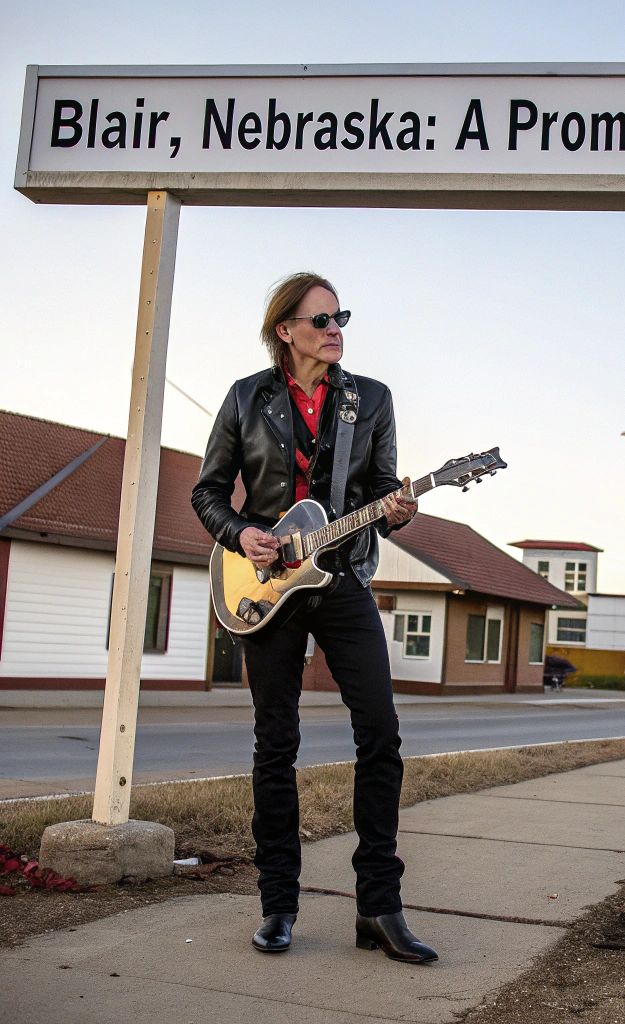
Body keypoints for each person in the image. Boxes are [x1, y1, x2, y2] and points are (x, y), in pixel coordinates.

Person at [192, 272, 437, 963]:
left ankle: (379, 908)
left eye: (341, 318)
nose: (336, 330)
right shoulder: (248, 398)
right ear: (286, 330)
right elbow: (207, 491)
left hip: (343, 578)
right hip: (266, 586)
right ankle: (278, 905)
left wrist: (400, 507)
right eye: (322, 319)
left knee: (382, 734)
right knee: (276, 744)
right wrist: (241, 533)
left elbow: (383, 488)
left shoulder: (371, 399)